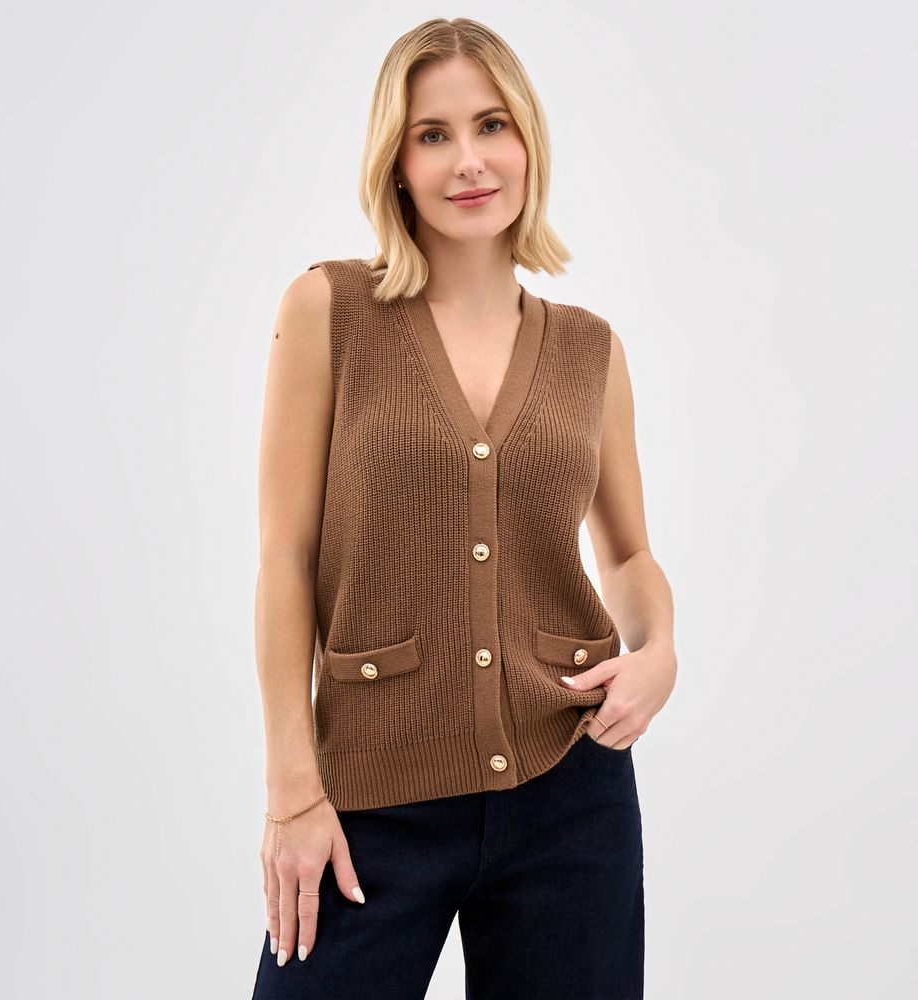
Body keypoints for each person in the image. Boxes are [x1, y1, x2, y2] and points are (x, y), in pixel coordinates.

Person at [251, 16, 676, 1000]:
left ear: (528, 139)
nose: (469, 160)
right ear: (395, 163)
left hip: (569, 793)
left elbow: (626, 555)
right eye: (432, 134)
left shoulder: (591, 350)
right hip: (369, 800)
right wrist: (291, 790)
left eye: (491, 125)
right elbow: (284, 557)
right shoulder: (328, 310)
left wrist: (658, 649)